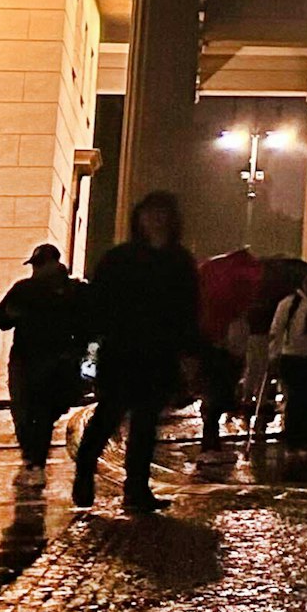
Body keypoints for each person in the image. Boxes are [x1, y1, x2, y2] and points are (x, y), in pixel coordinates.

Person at [74, 191, 201, 512]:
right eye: (151, 213)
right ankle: (85, 472)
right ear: (140, 218)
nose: (157, 219)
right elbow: (97, 307)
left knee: (146, 424)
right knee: (108, 416)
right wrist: (92, 350)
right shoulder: (119, 259)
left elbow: (188, 309)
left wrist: (188, 351)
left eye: (163, 213)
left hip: (159, 353)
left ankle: (137, 489)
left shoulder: (181, 262)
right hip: (122, 350)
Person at [0, 244, 90, 480]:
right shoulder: (73, 290)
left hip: (31, 359)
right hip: (53, 359)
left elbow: (3, 318)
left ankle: (33, 458)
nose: (35, 270)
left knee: (27, 408)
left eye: (37, 265)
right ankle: (34, 459)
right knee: (42, 411)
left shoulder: (26, 289)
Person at [195, 245, 261, 454]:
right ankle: (210, 436)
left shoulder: (219, 309)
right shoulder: (227, 314)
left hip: (221, 355)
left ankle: (210, 432)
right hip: (221, 357)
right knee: (217, 396)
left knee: (216, 396)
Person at [267, 268, 307, 447]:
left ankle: (303, 439)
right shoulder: (289, 304)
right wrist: (274, 354)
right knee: (296, 399)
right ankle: (293, 439)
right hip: (293, 356)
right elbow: (277, 330)